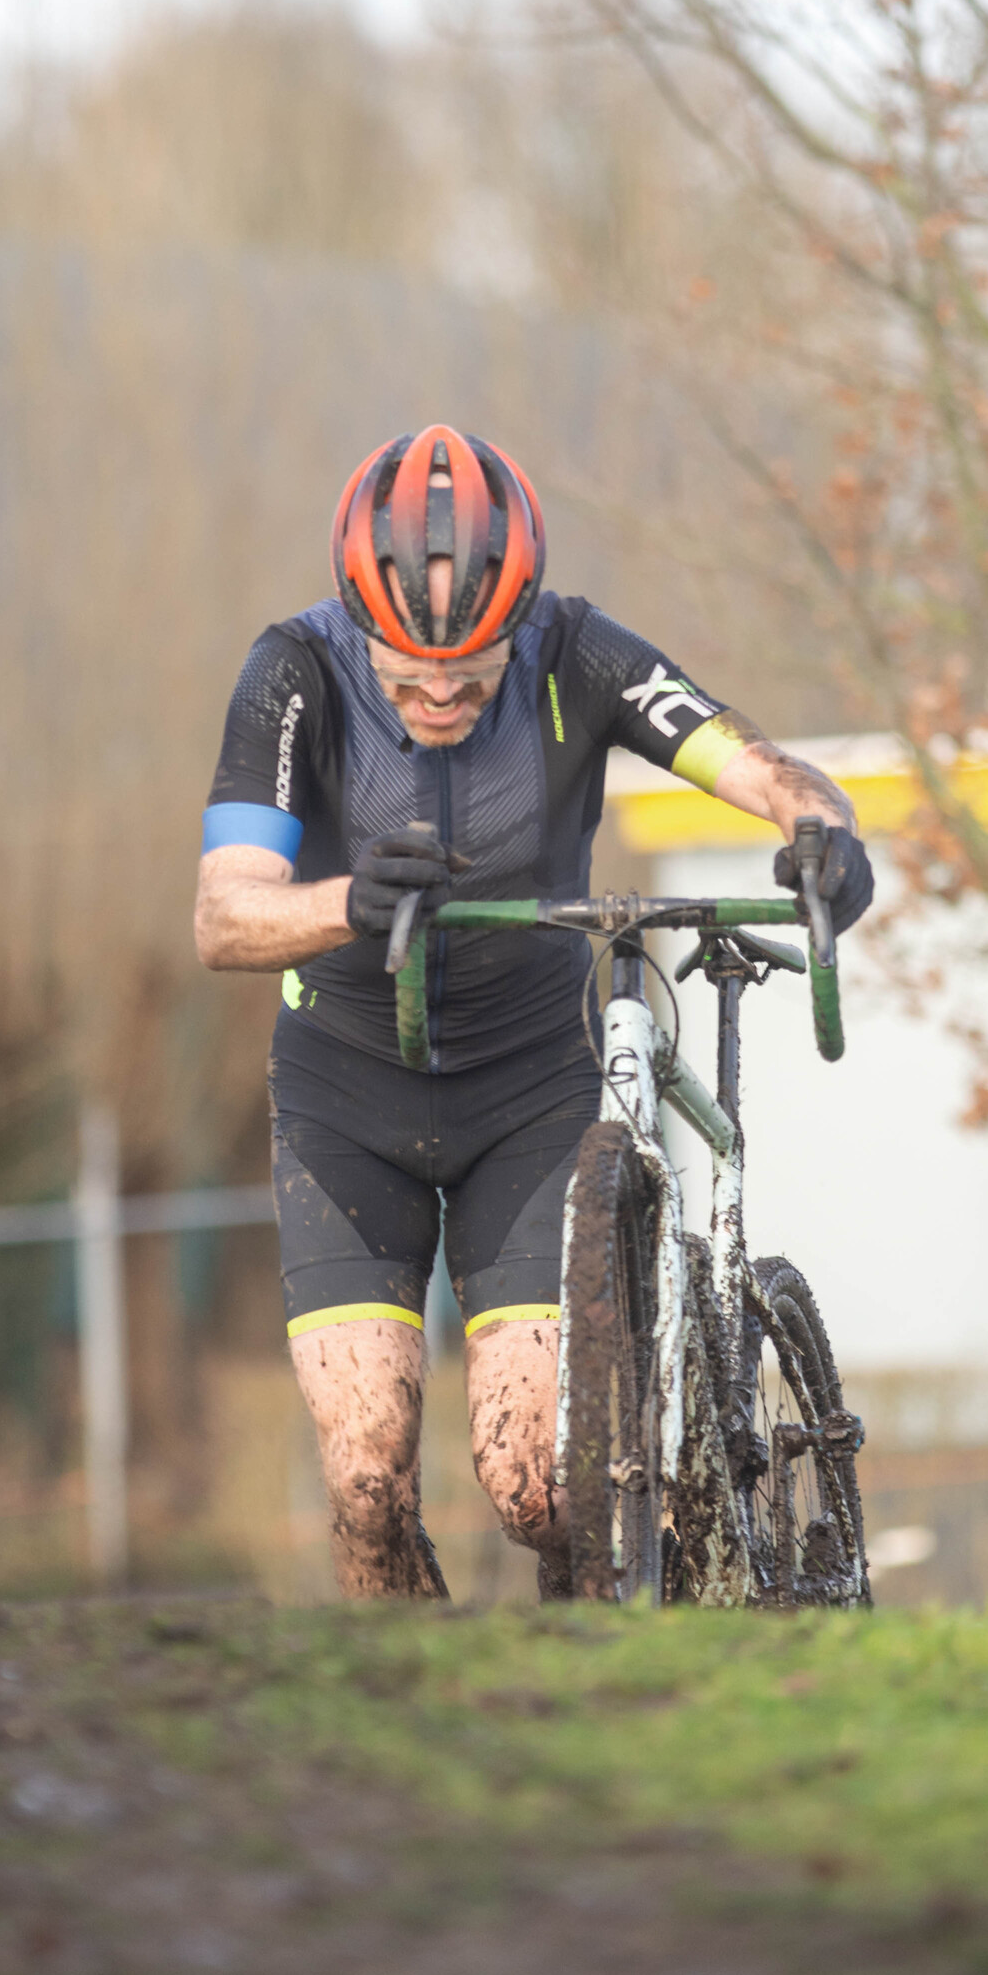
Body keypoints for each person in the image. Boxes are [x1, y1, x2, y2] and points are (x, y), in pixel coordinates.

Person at [195, 424, 872, 1599]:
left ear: (524, 623)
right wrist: (349, 903)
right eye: (409, 676)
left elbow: (755, 762)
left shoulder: (579, 653)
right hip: (345, 1096)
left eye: (473, 669)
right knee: (365, 1480)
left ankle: (582, 1693)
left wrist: (821, 829)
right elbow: (223, 914)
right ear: (360, 630)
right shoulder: (291, 672)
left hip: (528, 1094)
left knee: (539, 1484)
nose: (443, 695)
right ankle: (410, 1745)